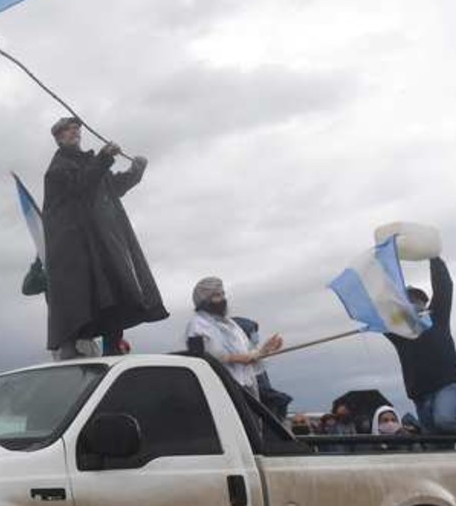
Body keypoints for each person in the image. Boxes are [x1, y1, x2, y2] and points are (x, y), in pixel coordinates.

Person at [42, 117, 167, 359]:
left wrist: (135, 172)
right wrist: (104, 157)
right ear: (59, 137)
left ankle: (112, 347)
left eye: (77, 129)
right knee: (78, 298)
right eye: (69, 130)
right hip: (75, 246)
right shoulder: (58, 168)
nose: (75, 132)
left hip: (100, 242)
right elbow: (81, 186)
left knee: (114, 291)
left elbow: (112, 187)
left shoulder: (89, 162)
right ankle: (70, 350)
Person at [385, 257, 456, 434]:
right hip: (420, 392)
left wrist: (434, 259)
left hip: (448, 384)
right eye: (409, 300)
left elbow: (444, 287)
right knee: (437, 439)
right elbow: (380, 313)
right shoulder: (398, 332)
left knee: (446, 421)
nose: (414, 304)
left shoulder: (437, 317)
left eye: (419, 300)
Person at [184, 278, 284, 400]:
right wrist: (238, 358)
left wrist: (265, 351)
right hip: (220, 391)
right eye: (216, 295)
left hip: (245, 389)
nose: (222, 299)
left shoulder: (232, 326)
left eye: (222, 294)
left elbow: (249, 355)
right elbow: (201, 358)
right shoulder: (196, 326)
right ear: (204, 299)